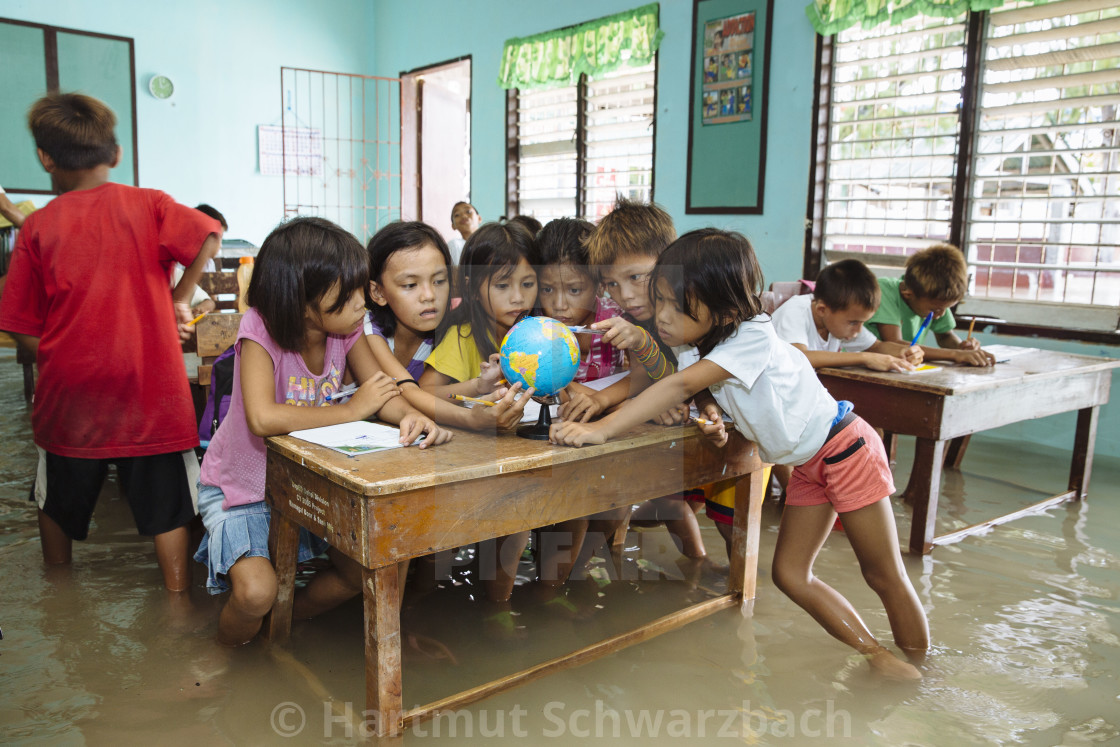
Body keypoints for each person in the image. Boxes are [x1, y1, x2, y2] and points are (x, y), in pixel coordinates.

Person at [551, 228, 930, 681]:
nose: (663, 318)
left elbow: (680, 384)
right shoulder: (694, 346)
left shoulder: (753, 332)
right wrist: (711, 416)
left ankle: (924, 664)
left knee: (883, 574)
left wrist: (602, 431)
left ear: (725, 308)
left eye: (676, 306)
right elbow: (705, 390)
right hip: (808, 467)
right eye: (661, 302)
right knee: (790, 575)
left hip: (846, 449)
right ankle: (877, 655)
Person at [195, 216, 452, 646]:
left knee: (358, 573)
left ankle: (283, 626)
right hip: (242, 485)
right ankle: (226, 662)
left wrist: (409, 415)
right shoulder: (259, 328)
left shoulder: (346, 331)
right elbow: (262, 418)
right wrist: (352, 410)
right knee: (256, 593)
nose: (362, 305)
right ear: (302, 299)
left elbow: (381, 393)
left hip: (305, 481)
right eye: (349, 294)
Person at [0, 92, 221, 591]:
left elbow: (17, 322)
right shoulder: (150, 204)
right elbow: (209, 234)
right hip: (151, 389)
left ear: (46, 158)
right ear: (116, 154)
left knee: (57, 499)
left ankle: (59, 594)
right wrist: (178, 296)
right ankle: (179, 601)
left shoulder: (36, 227)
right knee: (169, 507)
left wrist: (60, 359)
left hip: (71, 397)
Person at [419, 220, 538, 636]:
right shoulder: (464, 335)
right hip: (460, 464)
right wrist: (475, 398)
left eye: (528, 283)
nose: (518, 297)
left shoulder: (536, 335)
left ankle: (499, 604)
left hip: (507, 459)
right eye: (503, 285)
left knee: (519, 515)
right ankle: (426, 610)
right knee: (442, 552)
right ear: (472, 288)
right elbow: (426, 395)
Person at [582, 197, 707, 562]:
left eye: (636, 277)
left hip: (725, 424)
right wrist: (617, 402)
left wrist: (659, 400)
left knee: (717, 516)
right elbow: (643, 378)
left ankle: (699, 567)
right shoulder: (636, 318)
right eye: (612, 284)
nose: (626, 295)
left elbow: (693, 377)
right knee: (622, 491)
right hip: (681, 423)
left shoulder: (694, 308)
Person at [529, 218, 625, 599]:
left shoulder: (614, 323)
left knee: (613, 510)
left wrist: (603, 397)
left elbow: (642, 375)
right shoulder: (534, 327)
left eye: (574, 289)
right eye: (548, 289)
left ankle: (569, 575)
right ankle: (549, 590)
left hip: (600, 442)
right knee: (573, 513)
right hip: (545, 443)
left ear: (598, 286)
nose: (560, 303)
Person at [363, 220, 531, 430]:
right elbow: (410, 391)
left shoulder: (447, 327)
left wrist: (479, 385)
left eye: (439, 281)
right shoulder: (367, 331)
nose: (429, 295)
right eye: (410, 285)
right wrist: (471, 419)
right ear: (378, 292)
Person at [773, 259, 921, 372]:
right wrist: (864, 358)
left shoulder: (837, 319)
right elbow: (800, 357)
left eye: (862, 323)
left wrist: (903, 353)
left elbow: (876, 347)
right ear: (822, 310)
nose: (858, 331)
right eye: (853, 323)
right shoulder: (795, 312)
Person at [865, 243, 995, 366]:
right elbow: (894, 344)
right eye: (936, 309)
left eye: (947, 308)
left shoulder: (935, 299)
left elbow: (945, 336)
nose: (941, 314)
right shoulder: (883, 291)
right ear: (908, 294)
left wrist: (962, 348)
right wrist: (955, 354)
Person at [448, 201, 481, 265]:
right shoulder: (455, 245)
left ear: (479, 218)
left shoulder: (492, 242)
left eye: (468, 212)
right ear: (453, 226)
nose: (463, 216)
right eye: (457, 215)